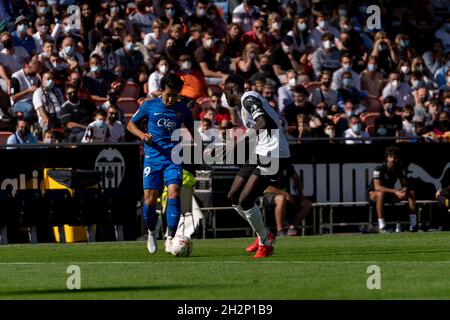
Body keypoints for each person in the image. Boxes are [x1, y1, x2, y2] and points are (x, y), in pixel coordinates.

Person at [223, 74, 291, 258]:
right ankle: (263, 235)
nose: (225, 98)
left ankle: (265, 242)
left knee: (246, 200)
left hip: (274, 153)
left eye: (224, 93)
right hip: (261, 151)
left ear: (231, 90)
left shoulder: (248, 98)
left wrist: (239, 141)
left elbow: (263, 122)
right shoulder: (242, 107)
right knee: (233, 196)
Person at [127, 73, 193, 255]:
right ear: (161, 91)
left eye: (175, 95)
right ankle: (151, 231)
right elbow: (130, 125)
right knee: (149, 200)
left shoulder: (183, 110)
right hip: (153, 157)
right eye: (168, 94)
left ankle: (170, 238)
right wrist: (142, 135)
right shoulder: (149, 106)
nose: (171, 99)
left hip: (173, 158)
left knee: (174, 193)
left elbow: (193, 130)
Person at [368, 146, 418, 233]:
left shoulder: (400, 167)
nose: (393, 159)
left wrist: (403, 190)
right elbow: (377, 187)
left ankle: (413, 225)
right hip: (374, 194)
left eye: (395, 157)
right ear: (387, 158)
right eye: (391, 157)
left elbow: (404, 184)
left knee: (411, 193)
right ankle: (382, 226)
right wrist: (395, 191)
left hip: (389, 194)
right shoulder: (379, 168)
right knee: (380, 194)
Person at [263, 163, 311, 236]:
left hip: (285, 197)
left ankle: (292, 227)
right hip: (267, 196)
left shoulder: (287, 166)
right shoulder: (267, 166)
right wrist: (285, 194)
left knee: (306, 203)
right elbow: (267, 189)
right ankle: (280, 231)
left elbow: (296, 178)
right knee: (281, 198)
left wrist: (301, 195)